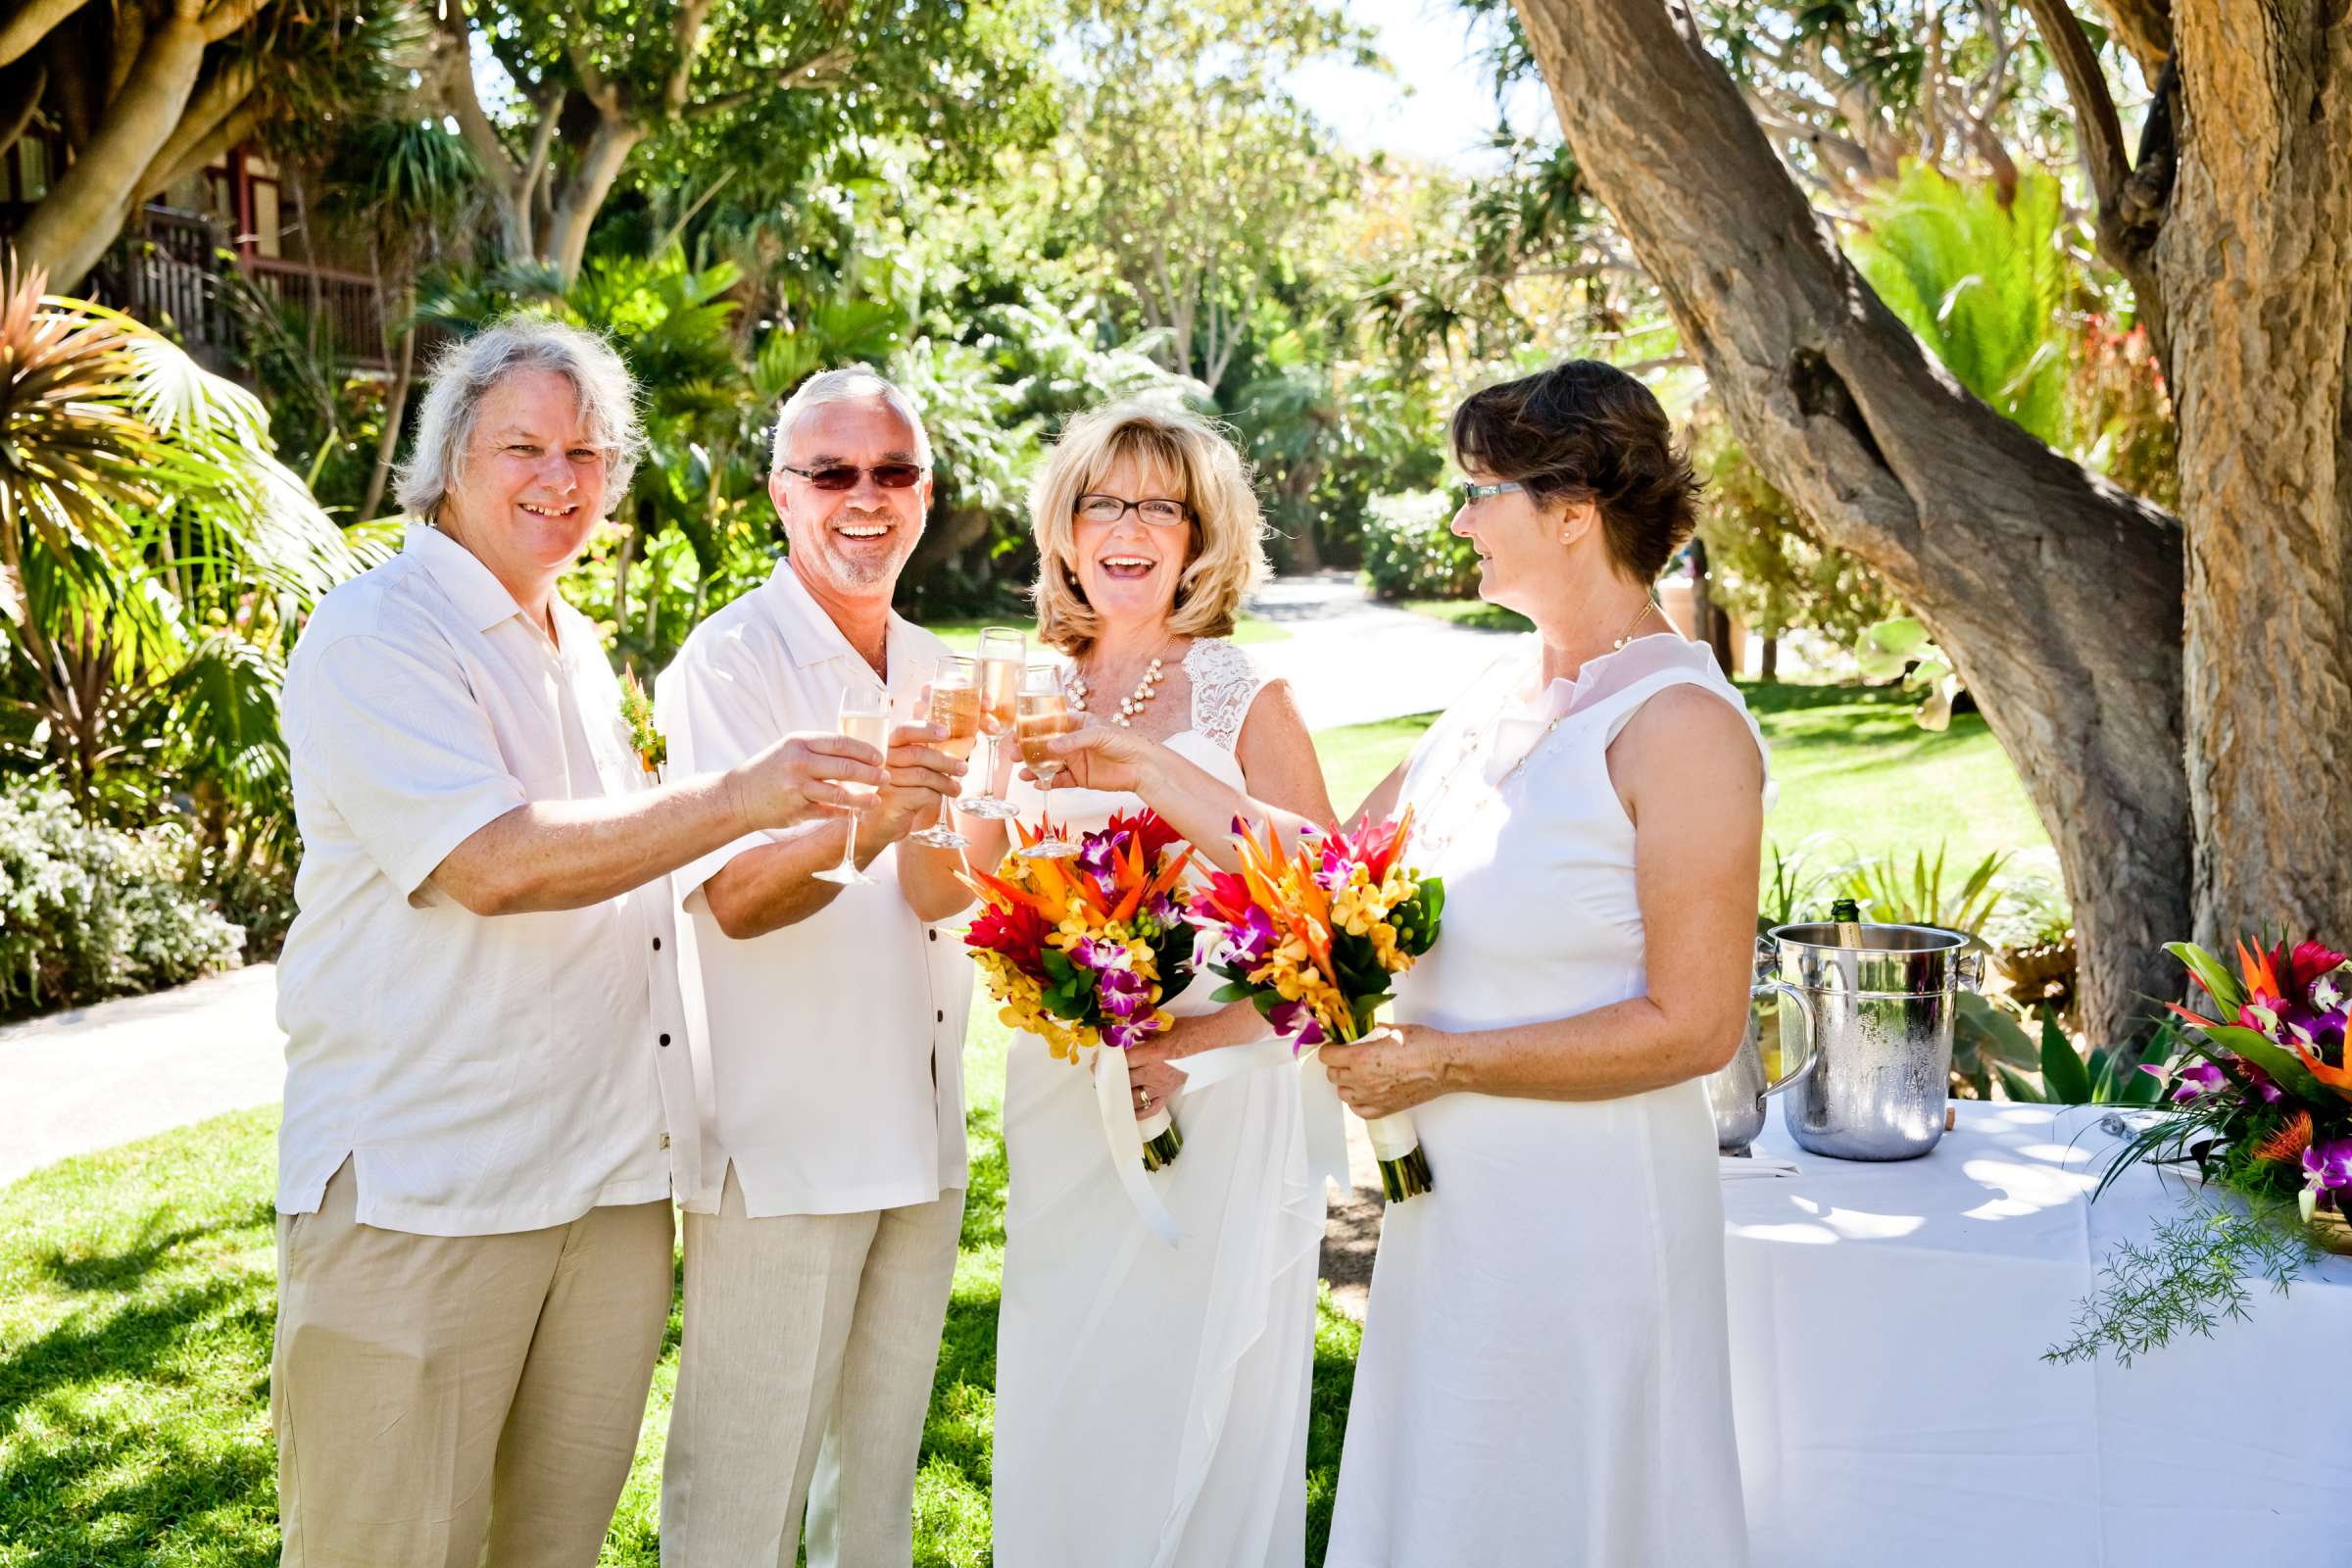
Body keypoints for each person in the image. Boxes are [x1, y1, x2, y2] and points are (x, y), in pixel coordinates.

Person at [1047, 360, 1767, 1565]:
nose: (1458, 518)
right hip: (1455, 1209)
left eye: (1482, 491)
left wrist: (1439, 1061)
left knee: (1573, 1503)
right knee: (1456, 1499)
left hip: (1589, 1218)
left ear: (1574, 512)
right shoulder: (1495, 692)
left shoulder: (1682, 726)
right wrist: (1156, 773)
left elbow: (1694, 1027)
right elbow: (1336, 868)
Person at [271, 318, 885, 1566]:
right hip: (428, 1194)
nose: (562, 477)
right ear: (450, 460)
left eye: (589, 450)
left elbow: (654, 880)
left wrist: (832, 835)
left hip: (604, 1190)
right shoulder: (376, 635)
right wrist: (740, 796)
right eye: (524, 446)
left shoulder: (575, 642)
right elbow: (491, 866)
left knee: (548, 1550)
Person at [972, 401, 1339, 1568]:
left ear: (1198, 535)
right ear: (1066, 531)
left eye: (1157, 505)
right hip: (1064, 1083)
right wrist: (972, 788)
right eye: (1102, 502)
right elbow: (991, 886)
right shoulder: (1028, 689)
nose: (1127, 527)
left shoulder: (1245, 697)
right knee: (1063, 1365)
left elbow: (1325, 905)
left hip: (1213, 1085)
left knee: (1189, 1381)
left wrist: (1192, 1043)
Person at [653, 368, 974, 1565]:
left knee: (875, 1500)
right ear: (782, 494)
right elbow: (734, 897)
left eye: (892, 472)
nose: (864, 497)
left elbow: (944, 889)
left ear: (925, 493)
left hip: (924, 1134)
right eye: (831, 472)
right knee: (740, 1500)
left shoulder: (941, 665)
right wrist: (890, 810)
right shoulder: (725, 663)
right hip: (782, 1146)